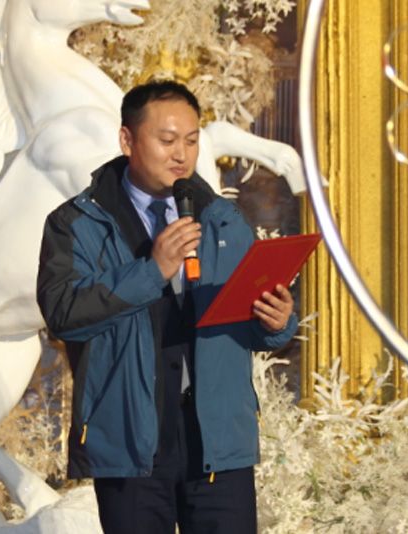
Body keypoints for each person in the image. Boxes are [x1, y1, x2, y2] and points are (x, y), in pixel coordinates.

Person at [36, 80, 297, 534]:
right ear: (127, 140)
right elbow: (63, 314)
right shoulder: (76, 222)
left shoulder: (222, 218)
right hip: (130, 438)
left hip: (217, 437)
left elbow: (244, 321)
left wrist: (276, 323)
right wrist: (151, 270)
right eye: (168, 140)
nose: (182, 154)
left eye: (191, 141)